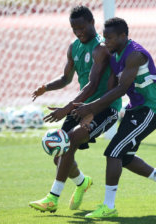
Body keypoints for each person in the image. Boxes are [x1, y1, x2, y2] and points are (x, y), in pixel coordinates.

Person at [29, 6, 122, 213]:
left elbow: (92, 84)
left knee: (69, 141)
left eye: (81, 27)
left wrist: (65, 109)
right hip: (81, 106)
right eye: (74, 28)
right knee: (59, 155)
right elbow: (65, 78)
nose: (78, 32)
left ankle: (52, 199)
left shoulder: (101, 49)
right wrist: (46, 87)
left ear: (92, 23)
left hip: (105, 107)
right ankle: (82, 182)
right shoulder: (73, 47)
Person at [72, 17, 156, 218]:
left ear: (123, 36)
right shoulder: (114, 53)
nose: (105, 41)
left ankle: (109, 206)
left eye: (109, 38)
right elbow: (110, 87)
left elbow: (121, 89)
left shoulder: (134, 54)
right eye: (105, 36)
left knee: (113, 153)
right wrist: (92, 109)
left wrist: (90, 106)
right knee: (124, 157)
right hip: (135, 108)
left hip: (150, 108)